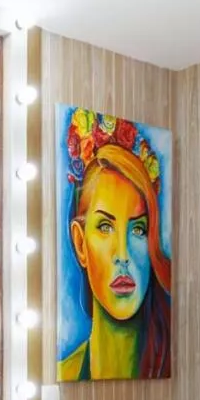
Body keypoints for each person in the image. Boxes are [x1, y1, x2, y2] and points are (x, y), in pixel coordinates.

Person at [59, 113, 171, 381]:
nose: (123, 255)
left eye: (138, 229)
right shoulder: (65, 372)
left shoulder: (172, 361)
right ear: (80, 243)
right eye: (105, 227)